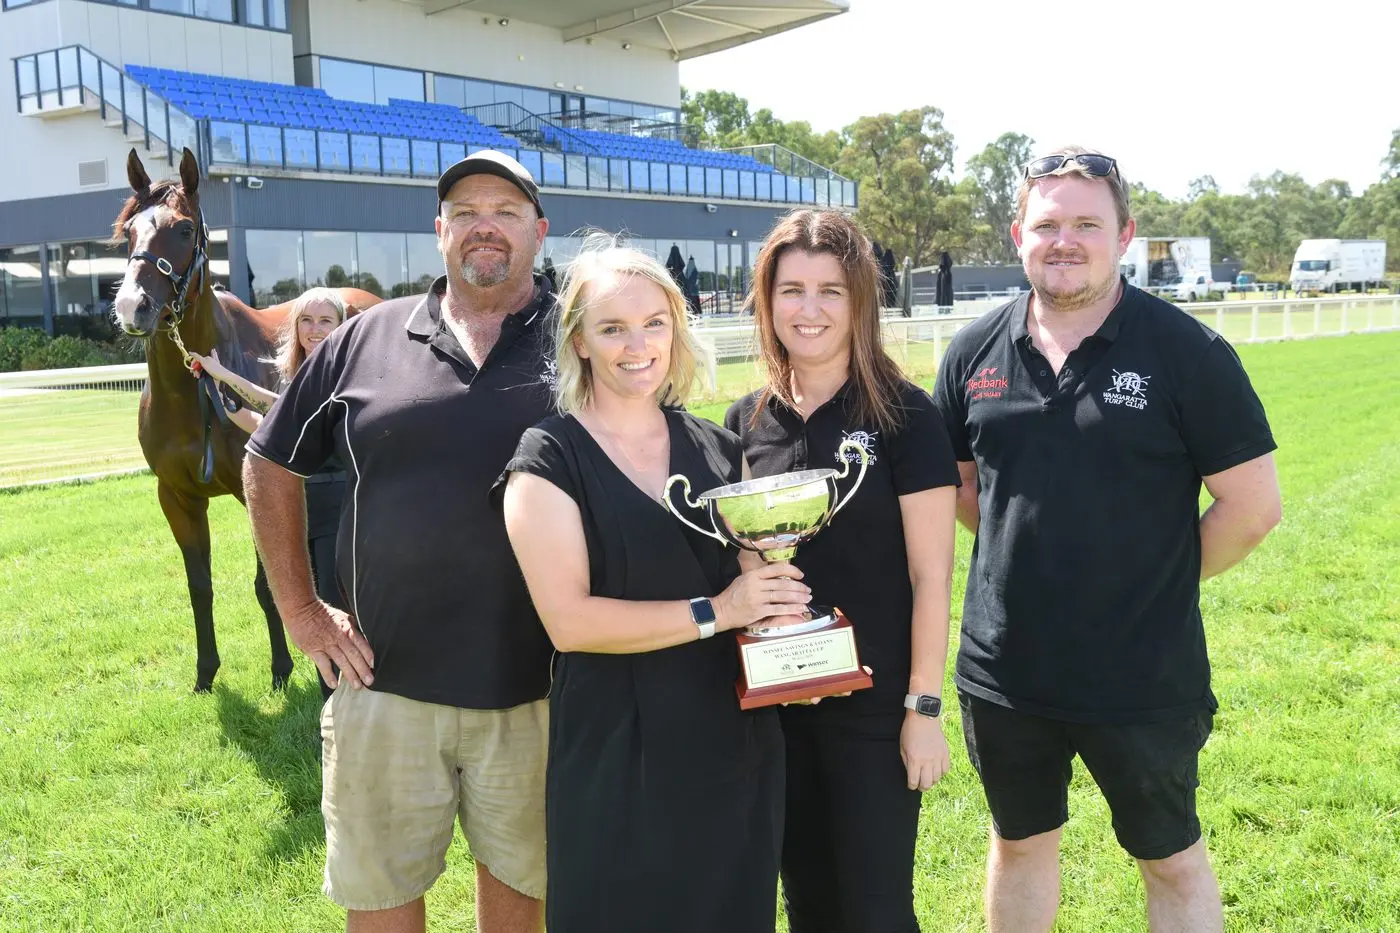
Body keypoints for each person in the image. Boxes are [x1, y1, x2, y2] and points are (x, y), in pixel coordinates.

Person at [931, 146, 1282, 933]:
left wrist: (1154, 583)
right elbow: (962, 488)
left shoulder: (1189, 354)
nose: (1066, 241)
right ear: (1018, 233)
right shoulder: (971, 353)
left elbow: (1253, 506)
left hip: (1143, 673)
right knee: (1019, 845)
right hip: (1005, 670)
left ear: (1124, 235)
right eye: (1048, 224)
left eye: (1087, 223)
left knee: (1170, 858)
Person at [242, 150, 556, 933]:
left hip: (540, 689)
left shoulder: (582, 338)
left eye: (507, 211)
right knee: (380, 906)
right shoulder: (366, 339)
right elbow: (268, 461)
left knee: (521, 902)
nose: (486, 225)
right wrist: (303, 612)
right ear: (440, 229)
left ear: (540, 231)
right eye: (468, 210)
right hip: (384, 690)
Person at [499, 239, 803, 932]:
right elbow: (569, 622)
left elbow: (756, 584)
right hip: (615, 749)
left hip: (733, 743)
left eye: (654, 323)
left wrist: (786, 621)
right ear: (579, 341)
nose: (638, 345)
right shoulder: (545, 457)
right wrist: (719, 611)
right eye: (612, 328)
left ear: (677, 327)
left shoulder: (720, 448)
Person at [725, 210, 962, 933]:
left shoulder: (907, 418)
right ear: (767, 302)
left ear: (860, 301)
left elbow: (932, 577)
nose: (810, 308)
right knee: (807, 901)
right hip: (777, 709)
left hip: (876, 710)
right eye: (791, 289)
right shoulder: (744, 421)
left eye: (831, 290)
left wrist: (922, 708)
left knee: (875, 908)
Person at [189, 287, 349, 701]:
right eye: (306, 321)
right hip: (301, 507)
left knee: (338, 608)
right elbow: (266, 424)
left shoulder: (347, 367)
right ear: (294, 329)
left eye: (325, 321)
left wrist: (227, 376)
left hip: (341, 506)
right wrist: (217, 390)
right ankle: (331, 708)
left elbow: (284, 409)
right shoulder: (299, 374)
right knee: (312, 611)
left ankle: (355, 704)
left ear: (341, 324)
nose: (315, 330)